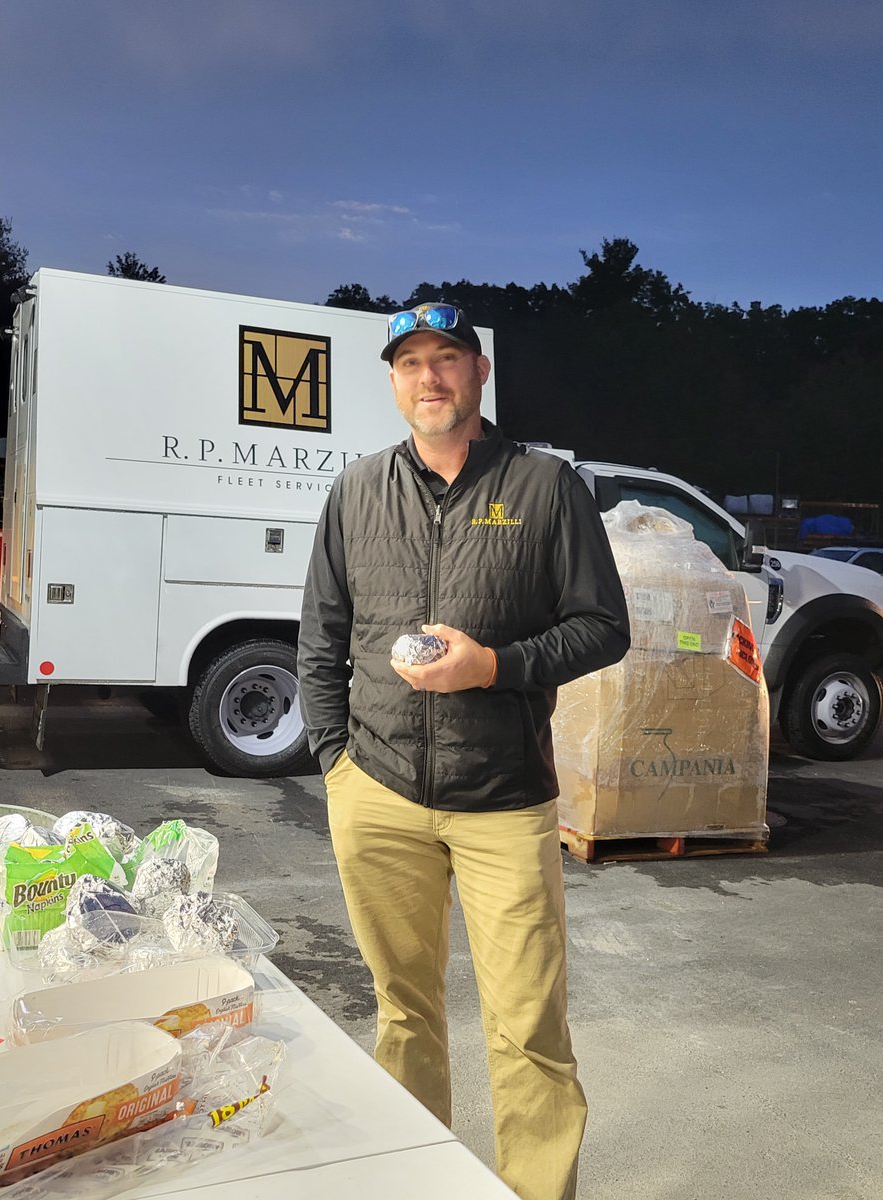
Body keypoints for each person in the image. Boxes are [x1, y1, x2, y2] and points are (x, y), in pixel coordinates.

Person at [298, 302, 630, 1200]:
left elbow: (604, 627)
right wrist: (336, 762)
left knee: (528, 1029)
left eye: (447, 358)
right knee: (404, 1016)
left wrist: (497, 666)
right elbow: (321, 638)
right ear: (394, 381)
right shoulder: (358, 489)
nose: (429, 377)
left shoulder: (544, 486)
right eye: (410, 363)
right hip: (378, 791)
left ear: (480, 374)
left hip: (504, 801)